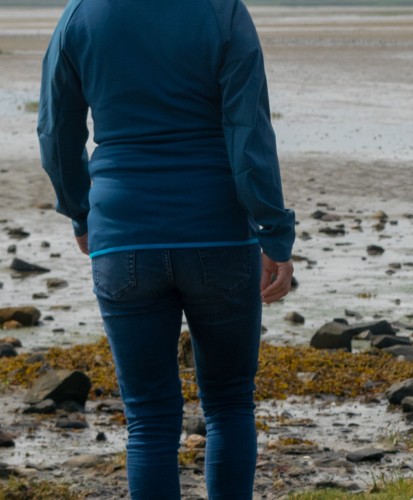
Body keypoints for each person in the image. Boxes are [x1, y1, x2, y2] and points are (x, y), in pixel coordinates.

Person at [37, 0, 295, 498]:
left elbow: (55, 132)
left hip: (123, 234)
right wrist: (274, 232)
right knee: (229, 405)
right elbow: (250, 133)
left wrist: (80, 211)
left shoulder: (80, 15)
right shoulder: (223, 12)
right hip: (218, 233)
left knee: (150, 420)